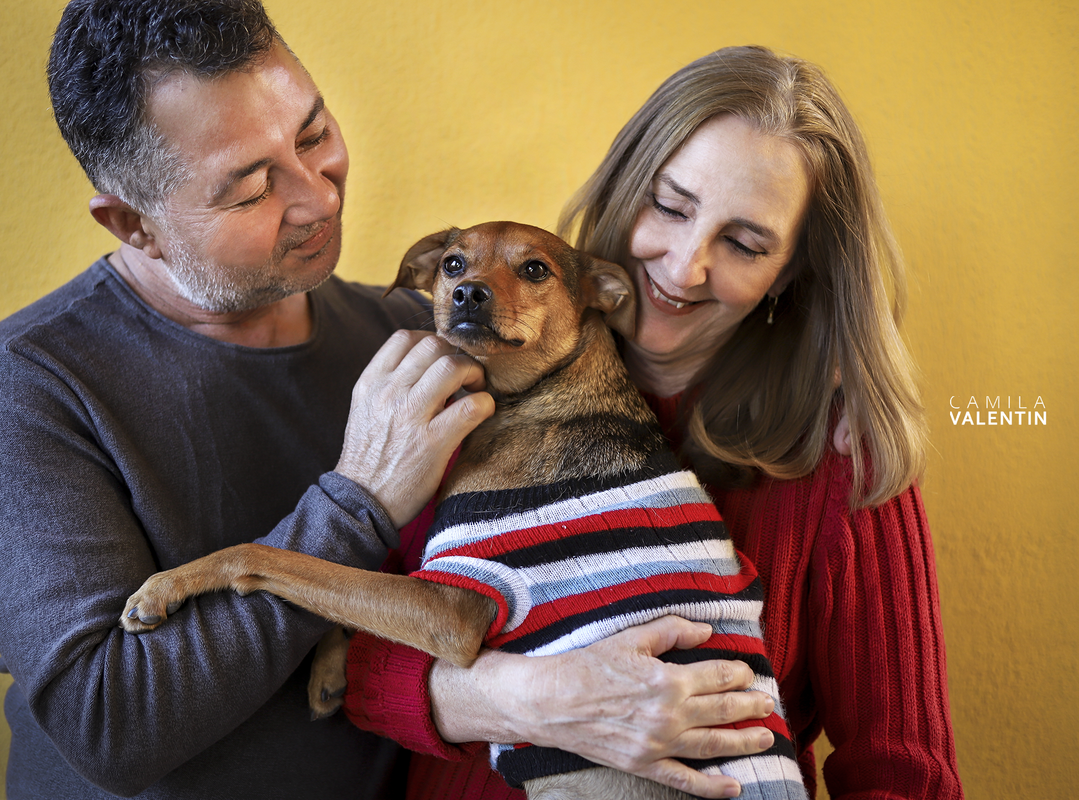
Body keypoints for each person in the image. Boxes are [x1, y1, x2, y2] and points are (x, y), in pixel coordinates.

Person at [0, 3, 776, 798]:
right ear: (133, 225)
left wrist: (802, 377)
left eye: (314, 134)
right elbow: (110, 730)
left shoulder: (424, 335)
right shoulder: (21, 390)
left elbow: (592, 435)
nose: (319, 196)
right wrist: (357, 503)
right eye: (250, 187)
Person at [342, 46, 965, 800]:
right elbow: (346, 667)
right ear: (625, 186)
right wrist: (527, 701)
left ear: (790, 274)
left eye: (743, 243)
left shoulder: (839, 462)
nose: (682, 265)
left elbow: (904, 777)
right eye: (670, 206)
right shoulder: (456, 394)